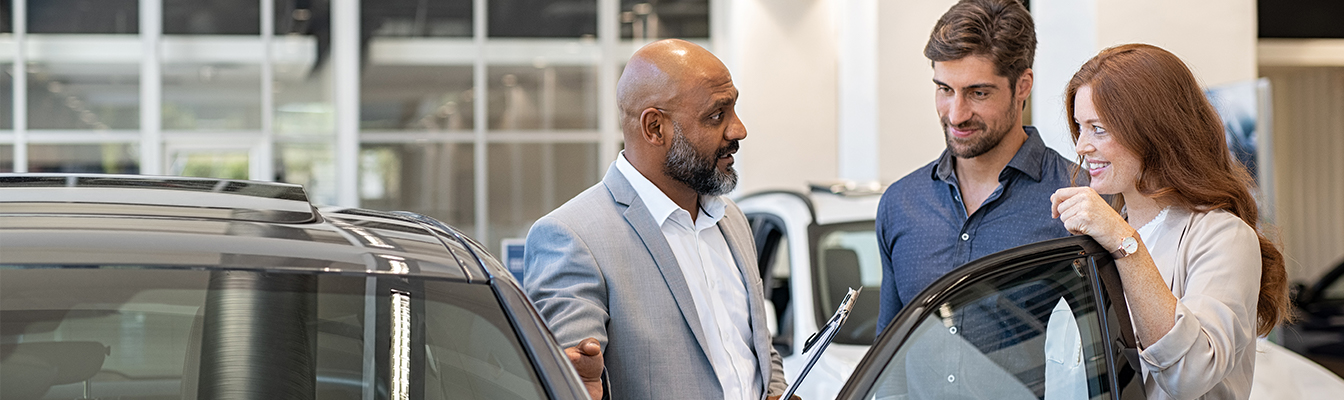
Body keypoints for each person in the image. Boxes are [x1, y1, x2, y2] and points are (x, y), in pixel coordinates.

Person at [523, 39, 791, 400]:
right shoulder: (572, 237)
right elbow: (572, 379)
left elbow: (756, 348)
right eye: (717, 116)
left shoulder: (731, 219)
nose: (738, 130)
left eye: (734, 110)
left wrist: (777, 390)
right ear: (654, 128)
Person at [1051, 43, 1291, 399]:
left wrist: (1123, 242)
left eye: (1098, 129)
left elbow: (1189, 372)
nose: (1082, 146)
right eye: (1079, 127)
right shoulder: (1096, 240)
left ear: (1152, 131)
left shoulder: (1224, 238)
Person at [876, 0, 1081, 334]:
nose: (956, 114)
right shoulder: (901, 203)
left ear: (1023, 85)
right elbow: (888, 349)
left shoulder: (1077, 199)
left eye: (978, 93)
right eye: (944, 89)